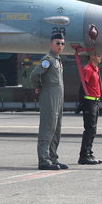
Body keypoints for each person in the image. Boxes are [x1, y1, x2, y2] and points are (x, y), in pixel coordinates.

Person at [30, 33, 68, 170]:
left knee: (56, 129)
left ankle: (53, 158)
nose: (60, 46)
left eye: (63, 43)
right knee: (48, 127)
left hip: (58, 98)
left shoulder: (58, 60)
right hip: (49, 97)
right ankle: (44, 160)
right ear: (51, 44)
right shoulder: (48, 59)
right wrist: (38, 87)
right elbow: (35, 74)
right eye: (57, 43)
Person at [76, 51, 102, 165]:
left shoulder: (95, 69)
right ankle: (84, 156)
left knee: (93, 129)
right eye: (99, 55)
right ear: (92, 56)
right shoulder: (88, 69)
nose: (100, 57)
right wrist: (82, 104)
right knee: (89, 129)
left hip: (95, 102)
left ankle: (88, 152)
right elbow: (82, 86)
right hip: (89, 102)